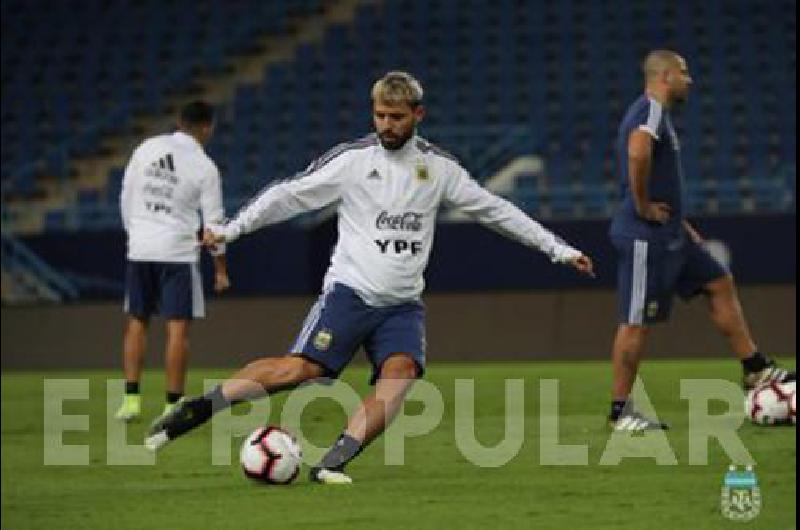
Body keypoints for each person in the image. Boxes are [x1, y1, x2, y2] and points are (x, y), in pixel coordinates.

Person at [145, 72, 594, 484]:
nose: (387, 125)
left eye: (396, 117)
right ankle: (197, 409)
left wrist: (558, 249)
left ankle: (332, 463)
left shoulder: (439, 169)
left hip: (402, 304)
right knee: (298, 371)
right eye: (380, 115)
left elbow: (497, 211)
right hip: (350, 293)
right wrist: (232, 229)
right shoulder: (353, 161)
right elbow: (288, 195)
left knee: (399, 376)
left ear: (418, 115)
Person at [607, 50, 795, 431]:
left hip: (672, 231)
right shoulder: (650, 110)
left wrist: (681, 222)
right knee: (635, 322)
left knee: (718, 282)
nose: (689, 80)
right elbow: (637, 151)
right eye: (684, 72)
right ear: (664, 76)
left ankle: (755, 369)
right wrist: (643, 206)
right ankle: (620, 411)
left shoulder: (656, 114)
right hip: (646, 237)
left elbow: (652, 165)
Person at [114, 100, 230, 424]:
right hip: (177, 253)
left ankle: (131, 400)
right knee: (177, 330)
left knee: (136, 321)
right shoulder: (205, 168)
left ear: (179, 121)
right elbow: (214, 226)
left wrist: (135, 234)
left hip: (140, 248)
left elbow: (126, 195)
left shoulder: (146, 148)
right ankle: (172, 405)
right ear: (208, 127)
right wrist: (220, 269)